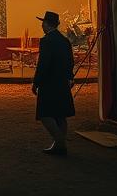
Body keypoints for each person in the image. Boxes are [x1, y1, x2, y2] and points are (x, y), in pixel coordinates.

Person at [32, 10, 75, 155]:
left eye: (43, 23)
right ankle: (59, 145)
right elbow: (71, 61)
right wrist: (70, 77)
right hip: (62, 81)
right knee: (60, 114)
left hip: (49, 83)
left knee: (45, 114)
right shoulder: (65, 41)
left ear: (46, 24)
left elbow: (43, 64)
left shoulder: (46, 41)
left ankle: (60, 142)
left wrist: (36, 82)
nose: (41, 26)